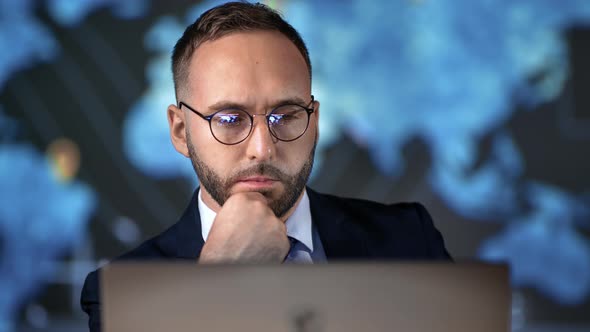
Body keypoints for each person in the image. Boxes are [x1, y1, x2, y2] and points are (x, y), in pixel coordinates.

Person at [80, 1, 451, 330]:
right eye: (229, 119)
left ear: (315, 122)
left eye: (285, 115)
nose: (262, 148)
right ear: (180, 131)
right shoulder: (120, 297)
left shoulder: (408, 238)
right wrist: (217, 281)